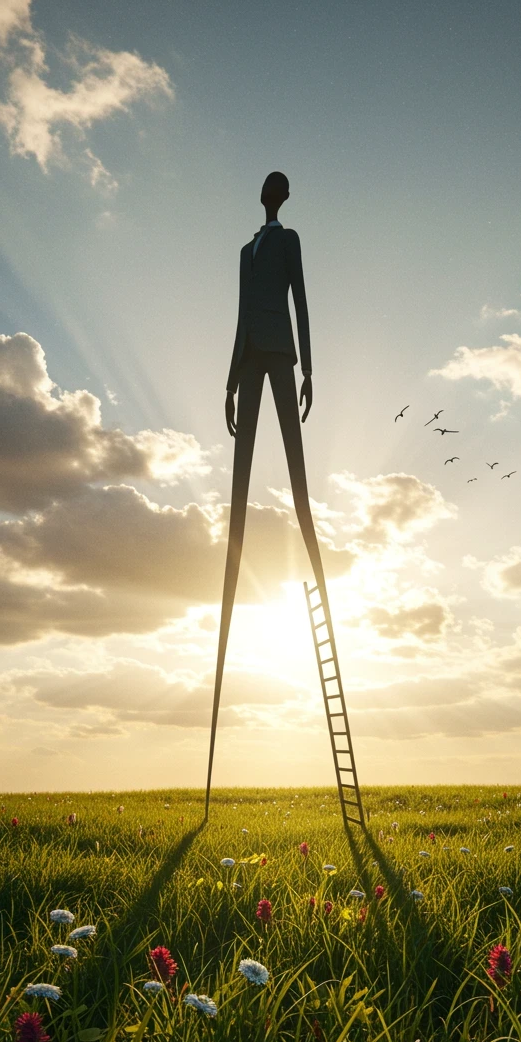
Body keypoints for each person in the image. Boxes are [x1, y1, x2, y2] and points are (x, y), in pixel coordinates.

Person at [205, 171, 330, 817]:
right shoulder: (246, 250)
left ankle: (318, 572)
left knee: (300, 485)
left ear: (284, 198)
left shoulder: (289, 243)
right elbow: (236, 317)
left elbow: (302, 303)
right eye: (267, 186)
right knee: (238, 501)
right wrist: (227, 382)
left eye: (279, 187)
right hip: (251, 361)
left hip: (281, 359)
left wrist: (310, 368)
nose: (271, 192)